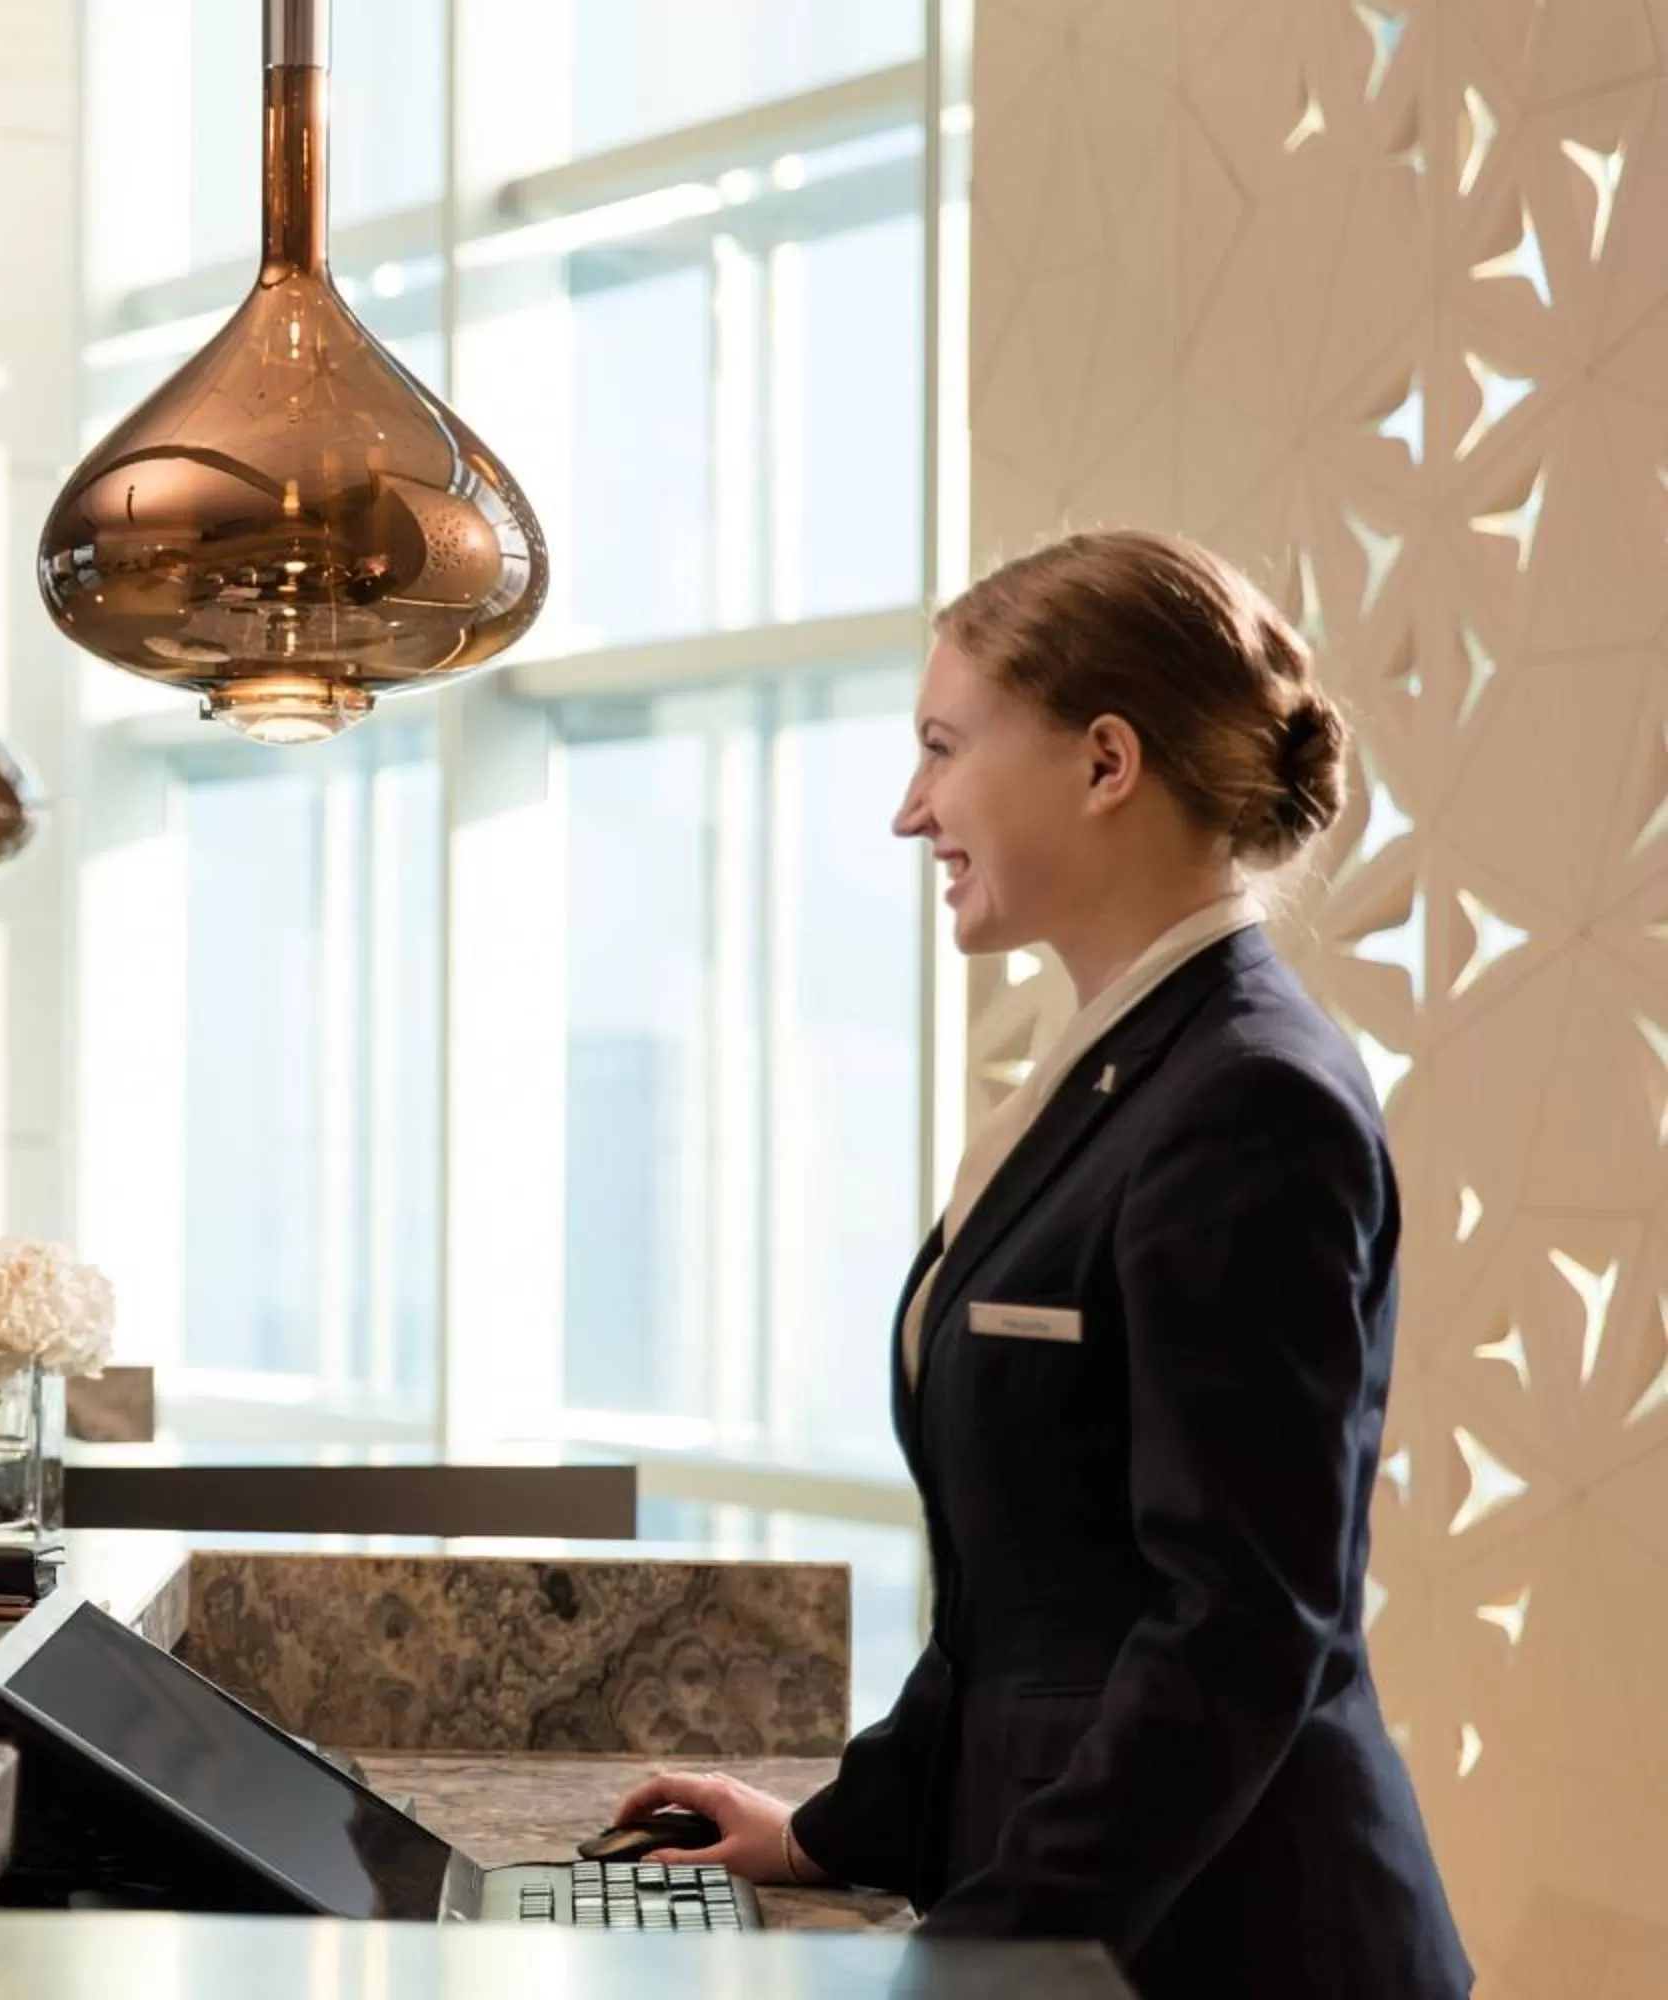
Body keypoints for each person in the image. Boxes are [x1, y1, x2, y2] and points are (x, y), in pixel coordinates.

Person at [612, 531, 1469, 1996]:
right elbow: (1025, 1605)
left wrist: (973, 1960)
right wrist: (838, 1830)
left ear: (1105, 761)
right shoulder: (1117, 1075)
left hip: (1237, 1945)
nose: (908, 809)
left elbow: (1241, 1629)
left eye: (943, 746)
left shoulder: (1252, 1101)